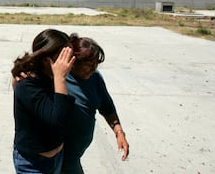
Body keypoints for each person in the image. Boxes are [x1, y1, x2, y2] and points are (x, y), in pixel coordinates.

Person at [61, 33, 129, 174]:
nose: (93, 69)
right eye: (89, 65)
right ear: (73, 61)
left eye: (96, 65)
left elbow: (107, 107)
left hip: (76, 154)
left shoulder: (95, 78)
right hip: (61, 156)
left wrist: (119, 132)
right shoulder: (59, 77)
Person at [11, 29, 76, 174]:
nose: (70, 63)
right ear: (47, 60)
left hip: (57, 157)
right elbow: (58, 121)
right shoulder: (28, 84)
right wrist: (60, 78)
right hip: (32, 164)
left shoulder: (52, 77)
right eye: (64, 58)